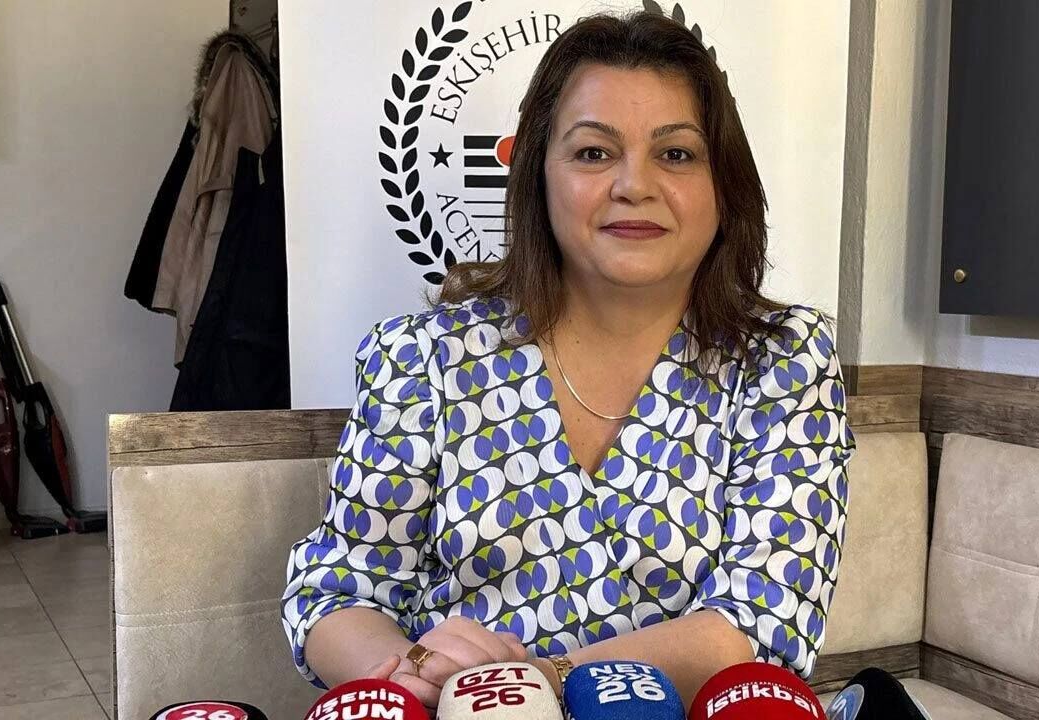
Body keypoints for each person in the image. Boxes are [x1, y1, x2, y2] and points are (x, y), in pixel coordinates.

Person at [281, 10, 856, 711]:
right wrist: (413, 672)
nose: (634, 185)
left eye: (676, 154)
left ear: (723, 186)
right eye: (593, 153)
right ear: (538, 178)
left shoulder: (785, 362)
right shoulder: (424, 357)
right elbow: (336, 591)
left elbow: (765, 621)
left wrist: (537, 683)